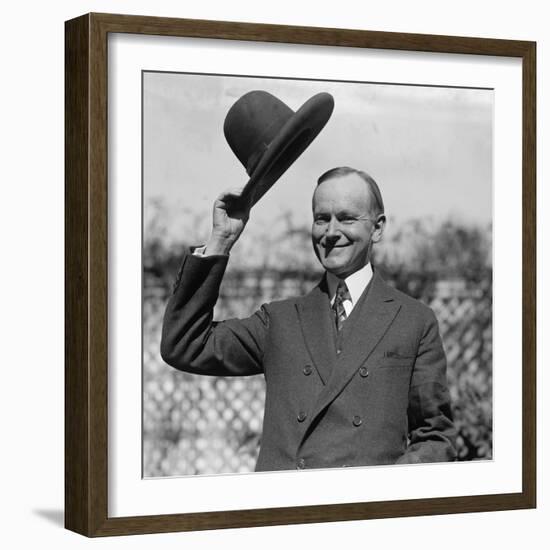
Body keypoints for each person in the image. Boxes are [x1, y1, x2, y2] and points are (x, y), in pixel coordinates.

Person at [160, 165, 457, 471]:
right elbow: (184, 345)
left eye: (346, 218)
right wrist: (221, 240)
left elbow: (435, 438)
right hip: (285, 512)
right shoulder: (279, 321)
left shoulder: (413, 320)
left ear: (377, 228)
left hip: (365, 513)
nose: (330, 232)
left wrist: (380, 493)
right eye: (321, 219)